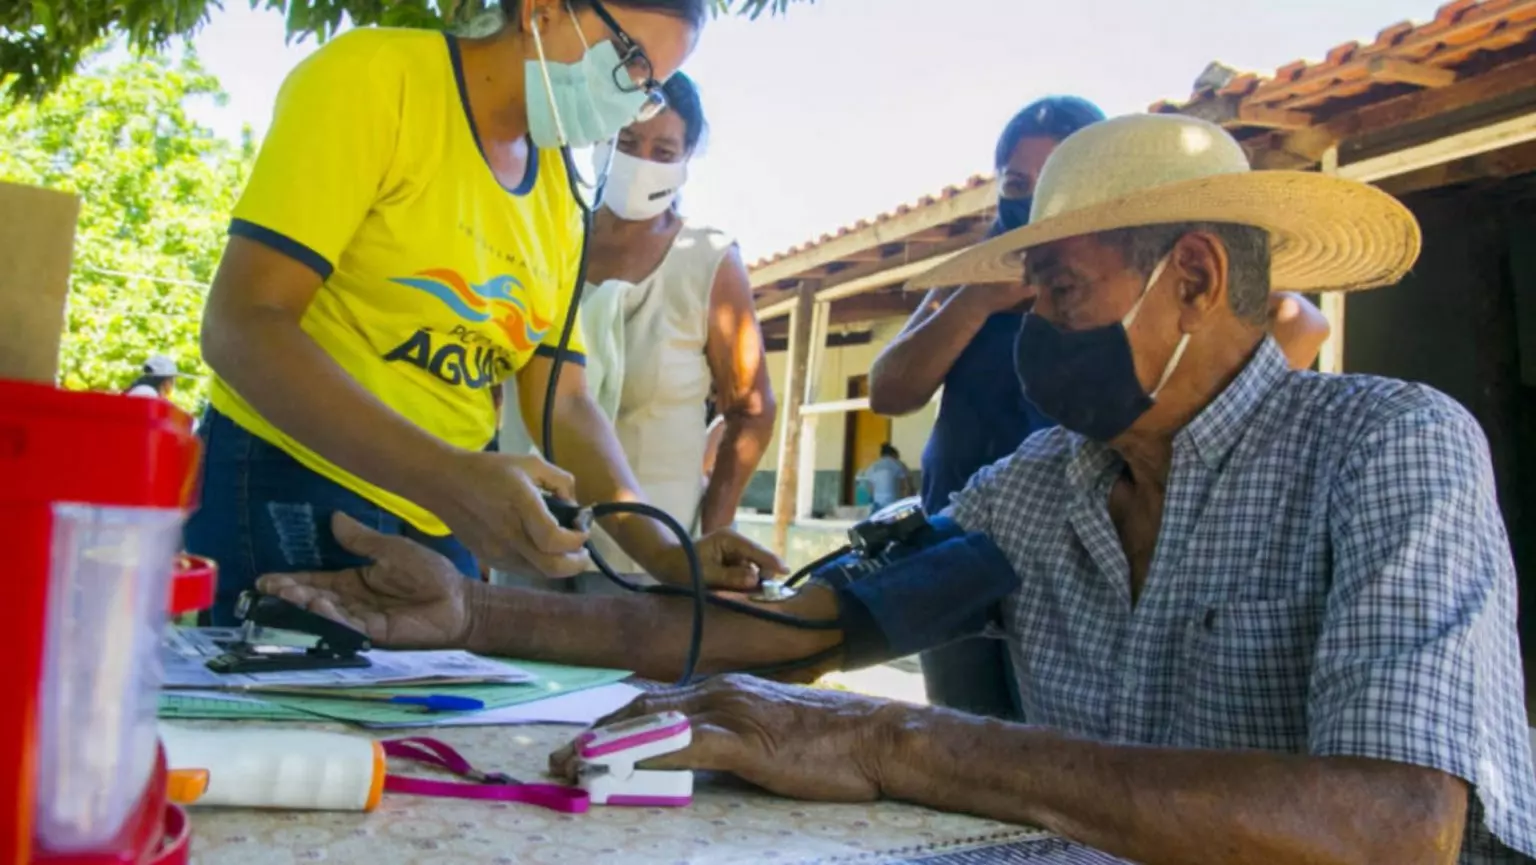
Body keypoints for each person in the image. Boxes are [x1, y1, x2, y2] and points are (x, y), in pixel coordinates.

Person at [260, 115, 1535, 864]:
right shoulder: (1045, 488)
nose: (1031, 327)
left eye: (1059, 291)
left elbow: (1398, 823)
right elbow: (798, 630)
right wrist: (484, 618)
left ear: (1194, 276)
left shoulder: (1389, 447)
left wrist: (898, 742)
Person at [187, 0, 783, 624]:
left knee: (433, 720)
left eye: (652, 84)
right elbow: (243, 323)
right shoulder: (376, 79)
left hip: (443, 515)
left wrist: (666, 554)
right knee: (290, 716)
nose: (635, 98)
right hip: (295, 479)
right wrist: (448, 477)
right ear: (543, 11)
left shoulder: (556, 186)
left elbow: (564, 401)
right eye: (631, 61)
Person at [869, 96, 1332, 720]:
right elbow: (890, 391)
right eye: (1017, 183)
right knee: (964, 729)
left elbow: (1296, 321)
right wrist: (976, 302)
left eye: (1051, 180)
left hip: (1092, 535)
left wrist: (1220, 410)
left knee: (1079, 738)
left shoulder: (1168, 271)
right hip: (973, 525)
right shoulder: (968, 283)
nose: (1030, 199)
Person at [499, 71, 775, 589]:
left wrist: (706, 535)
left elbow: (751, 409)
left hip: (654, 563)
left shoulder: (707, 262)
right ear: (601, 138)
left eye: (663, 150)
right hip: (528, 543)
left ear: (687, 159)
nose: (641, 161)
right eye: (626, 142)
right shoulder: (546, 241)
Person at [856, 443, 911, 510]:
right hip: (894, 503)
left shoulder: (872, 466)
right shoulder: (899, 464)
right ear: (893, 455)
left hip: (878, 504)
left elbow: (870, 489)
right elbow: (906, 487)